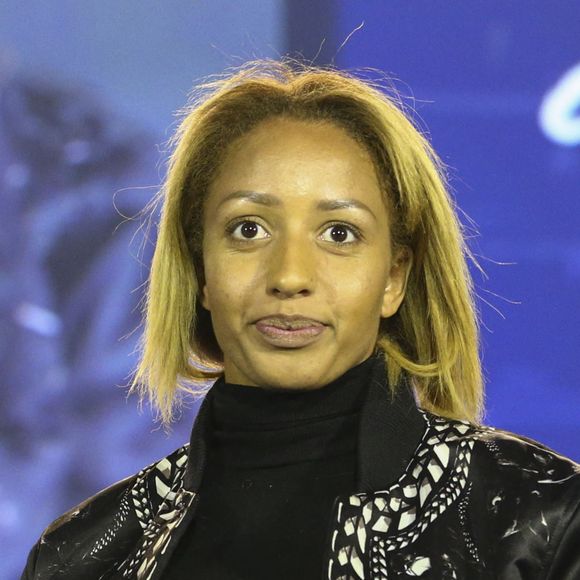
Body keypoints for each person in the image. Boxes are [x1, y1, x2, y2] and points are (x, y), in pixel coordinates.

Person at [21, 58, 580, 580]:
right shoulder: (79, 556)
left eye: (339, 234)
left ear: (394, 278)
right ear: (201, 272)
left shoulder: (542, 522)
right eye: (248, 230)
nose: (289, 276)